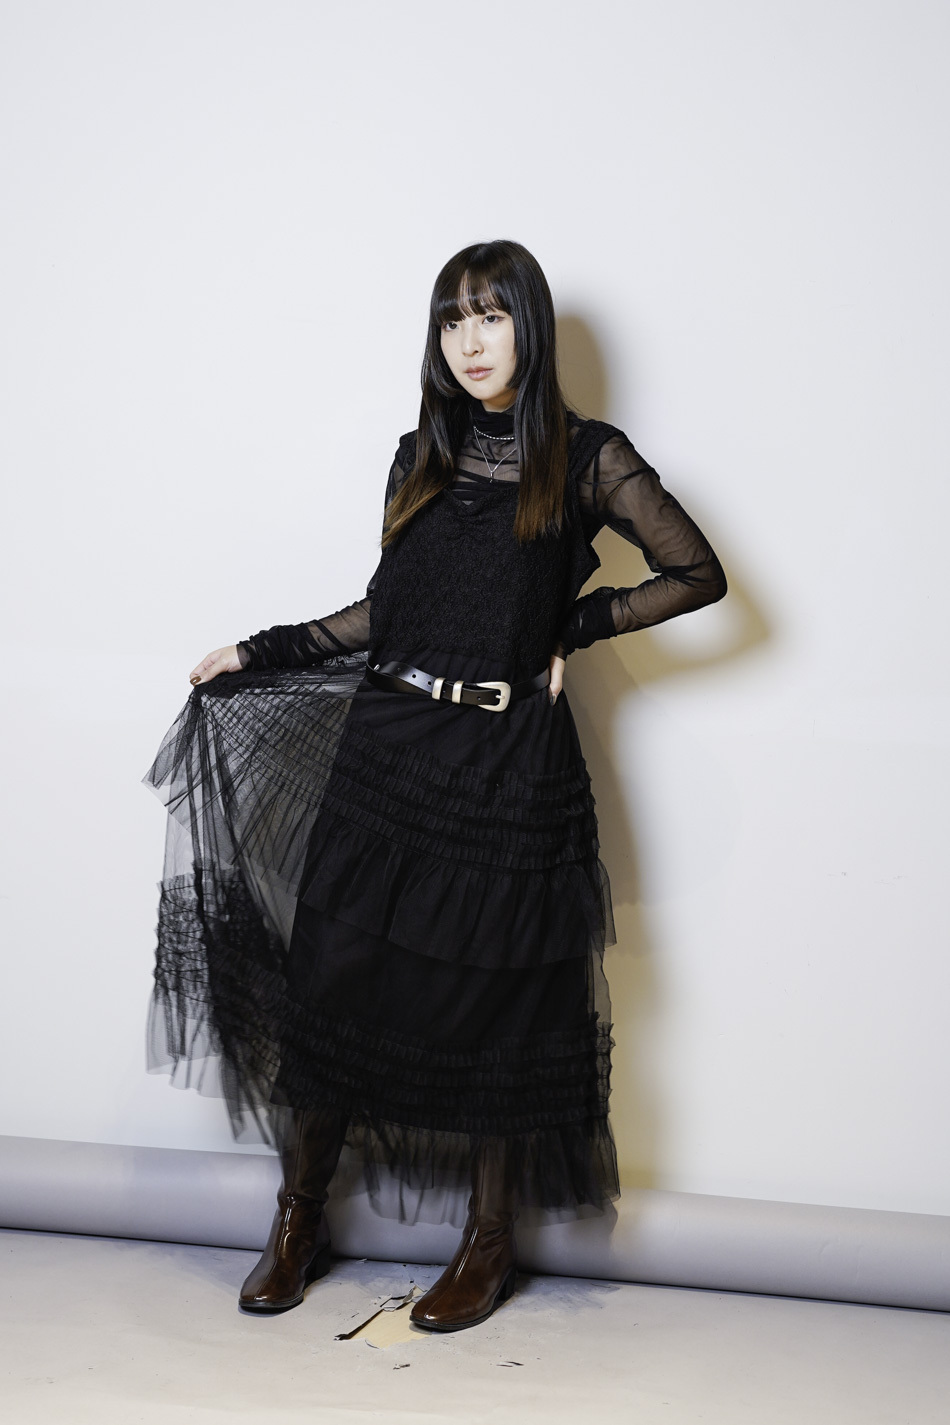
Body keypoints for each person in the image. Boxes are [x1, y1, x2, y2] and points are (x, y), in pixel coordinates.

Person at [143, 238, 727, 1333]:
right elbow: (390, 612)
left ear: (528, 326)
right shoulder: (419, 453)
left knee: (502, 1008)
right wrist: (260, 649)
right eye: (453, 319)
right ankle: (297, 1222)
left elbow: (697, 573)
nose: (470, 340)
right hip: (389, 747)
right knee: (332, 982)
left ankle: (487, 1243)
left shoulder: (588, 457)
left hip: (507, 766)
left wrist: (575, 624)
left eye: (491, 315)